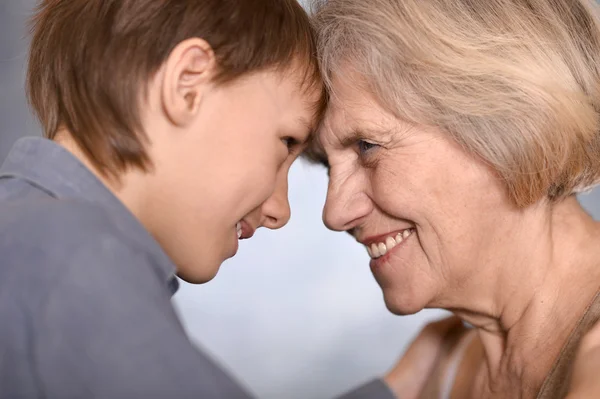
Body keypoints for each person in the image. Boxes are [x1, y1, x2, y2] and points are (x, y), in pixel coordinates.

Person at [0, 0, 409, 397]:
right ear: (188, 86)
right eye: (285, 142)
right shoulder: (72, 256)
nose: (279, 211)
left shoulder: (29, 235)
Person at [307, 0, 600, 397]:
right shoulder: (441, 365)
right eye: (329, 166)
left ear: (507, 123)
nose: (335, 212)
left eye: (367, 146)